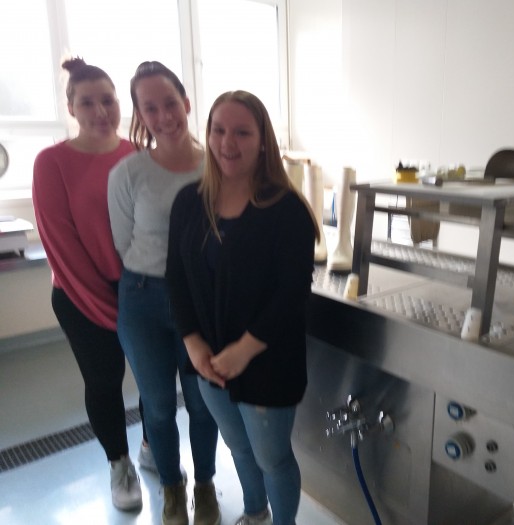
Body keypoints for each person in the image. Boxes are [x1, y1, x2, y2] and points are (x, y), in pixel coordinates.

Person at [166, 90, 319, 525]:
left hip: (267, 362)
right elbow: (176, 277)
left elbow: (291, 293)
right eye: (218, 130)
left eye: (242, 132)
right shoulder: (189, 201)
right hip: (210, 361)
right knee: (239, 447)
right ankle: (255, 514)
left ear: (263, 141)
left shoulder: (286, 210)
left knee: (273, 459)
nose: (227, 142)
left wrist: (244, 350)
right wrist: (193, 344)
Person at [107, 61, 220, 525]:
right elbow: (123, 242)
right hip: (144, 298)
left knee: (203, 403)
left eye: (170, 103)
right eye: (149, 108)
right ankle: (172, 489)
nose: (163, 115)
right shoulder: (128, 173)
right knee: (156, 405)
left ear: (186, 103)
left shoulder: (217, 165)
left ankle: (205, 487)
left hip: (203, 300)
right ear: (139, 114)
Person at [32, 57, 143, 511]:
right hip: (80, 295)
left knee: (154, 379)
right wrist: (110, 309)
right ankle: (119, 463)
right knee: (104, 381)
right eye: (87, 103)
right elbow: (62, 244)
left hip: (138, 288)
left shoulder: (138, 155)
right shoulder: (52, 162)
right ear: (71, 108)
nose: (101, 111)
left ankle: (153, 445)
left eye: (108, 100)